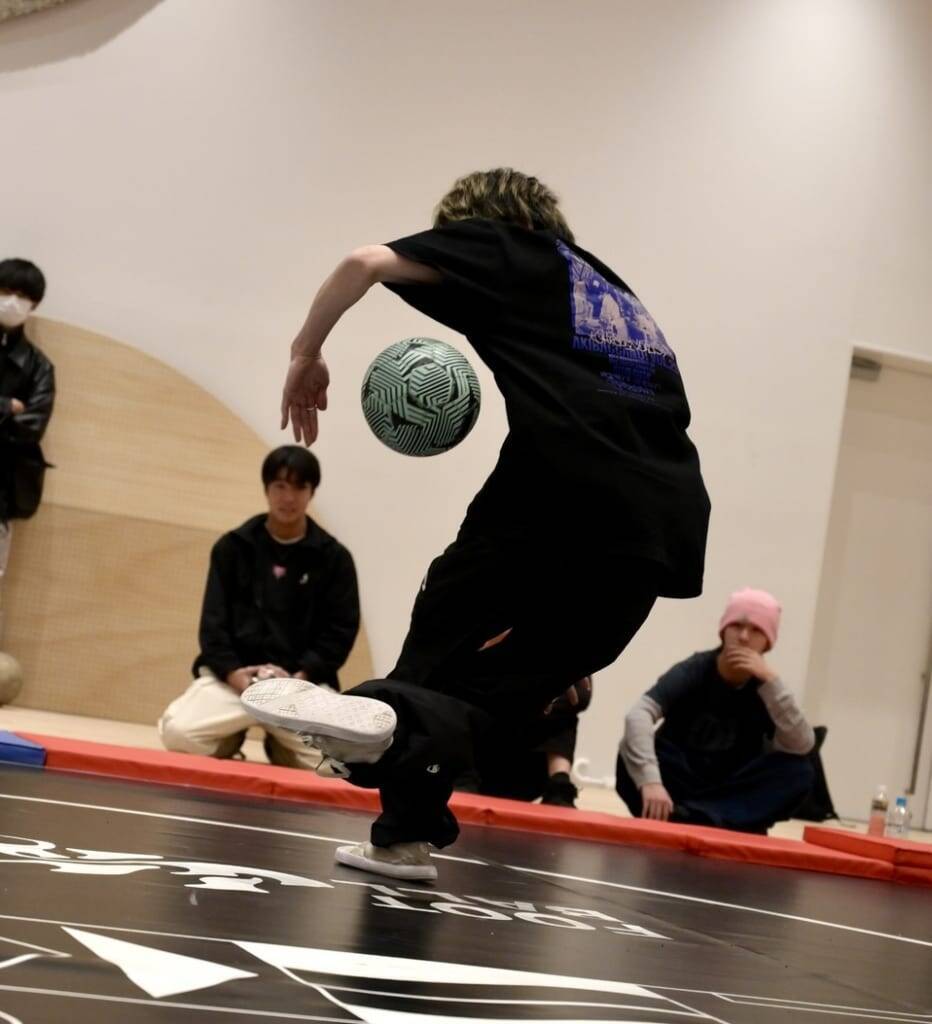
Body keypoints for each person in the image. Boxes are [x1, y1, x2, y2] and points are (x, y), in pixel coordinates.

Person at [243, 167, 711, 879]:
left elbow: (362, 263)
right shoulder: (610, 290)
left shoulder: (508, 246)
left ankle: (379, 720)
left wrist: (305, 353)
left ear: (488, 223)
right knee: (509, 694)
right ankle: (404, 835)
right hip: (663, 524)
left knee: (443, 626)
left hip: (557, 487)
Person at [158, 446, 360, 768]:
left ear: (311, 493)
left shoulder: (334, 559)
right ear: (266, 489)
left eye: (299, 488)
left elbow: (339, 633)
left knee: (343, 758)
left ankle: (283, 747)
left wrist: (299, 677)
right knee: (177, 733)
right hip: (234, 683)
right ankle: (229, 737)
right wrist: (239, 679)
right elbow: (213, 627)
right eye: (280, 486)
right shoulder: (232, 548)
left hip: (298, 688)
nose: (288, 497)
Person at [615, 588, 815, 833]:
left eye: (756, 630)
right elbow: (639, 714)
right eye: (737, 626)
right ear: (723, 631)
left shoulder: (769, 687)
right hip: (678, 780)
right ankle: (713, 818)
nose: (743, 637)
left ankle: (699, 816)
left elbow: (802, 745)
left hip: (729, 787)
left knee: (799, 772)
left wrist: (772, 682)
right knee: (629, 748)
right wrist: (651, 782)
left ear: (768, 642)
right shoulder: (695, 669)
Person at [0, 258, 54, 629]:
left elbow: (32, 427)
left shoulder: (39, 367)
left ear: (33, 304)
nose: (12, 301)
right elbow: (17, 420)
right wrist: (7, 407)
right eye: (6, 291)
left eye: (22, 295)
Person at [456, 677, 592, 808]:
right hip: (480, 760)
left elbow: (581, 695)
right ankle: (460, 775)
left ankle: (559, 785)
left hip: (526, 768)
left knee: (562, 709)